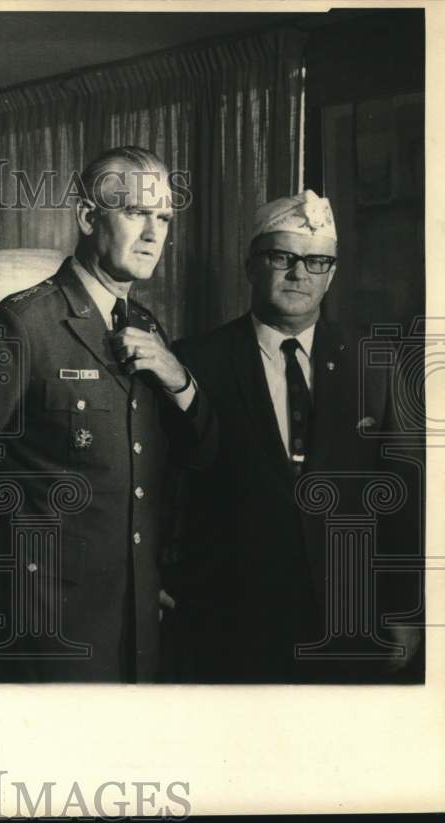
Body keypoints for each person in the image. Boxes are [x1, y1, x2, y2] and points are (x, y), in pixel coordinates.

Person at [0, 146, 216, 682]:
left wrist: (180, 379)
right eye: (135, 213)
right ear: (87, 218)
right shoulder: (23, 325)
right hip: (41, 627)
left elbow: (187, 461)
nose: (154, 234)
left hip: (133, 618)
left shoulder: (149, 328)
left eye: (165, 218)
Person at [164, 190, 423, 683]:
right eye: (281, 257)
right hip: (232, 617)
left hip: (352, 619)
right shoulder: (197, 360)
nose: (298, 273)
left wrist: (407, 611)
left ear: (332, 274)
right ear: (250, 266)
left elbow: (405, 499)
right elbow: (168, 481)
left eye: (316, 261)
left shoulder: (376, 363)